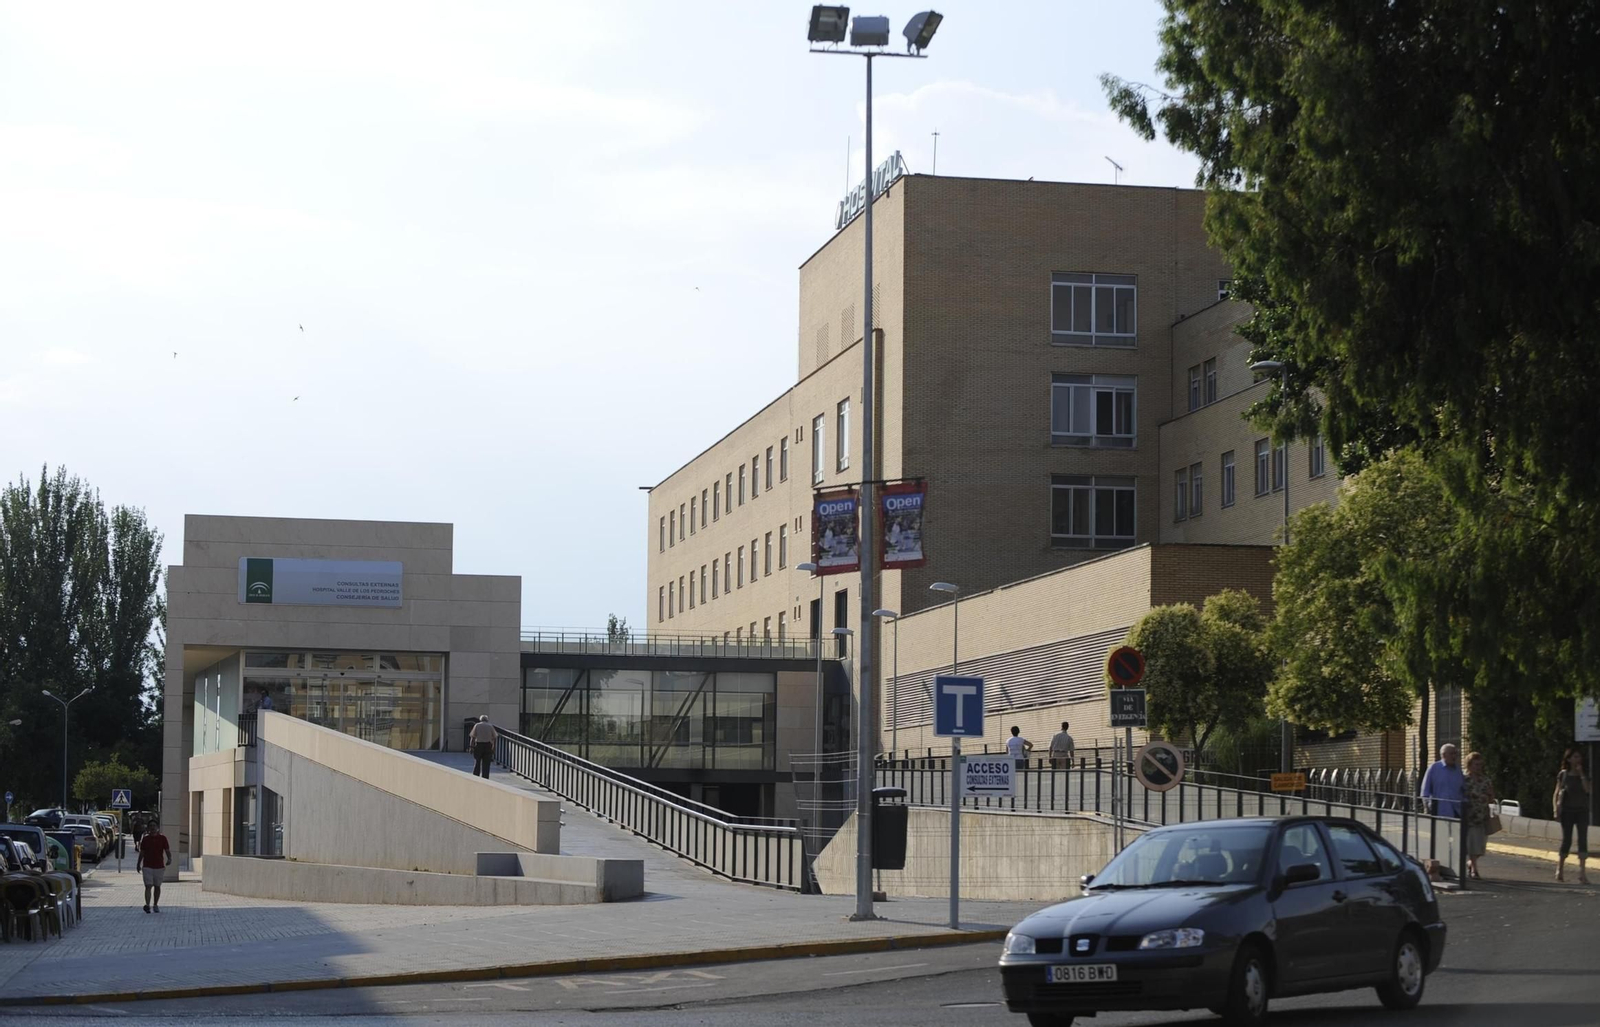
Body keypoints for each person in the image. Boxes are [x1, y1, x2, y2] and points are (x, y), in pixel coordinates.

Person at [1553, 747, 1590, 884]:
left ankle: (1582, 873)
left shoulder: (1584, 774)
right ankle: (1560, 869)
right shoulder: (1564, 774)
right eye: (1574, 757)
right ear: (1568, 759)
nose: (1577, 760)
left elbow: (1587, 790)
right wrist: (1556, 810)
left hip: (1582, 811)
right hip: (1568, 811)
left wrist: (1581, 774)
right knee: (1567, 839)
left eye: (1578, 757)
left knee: (1582, 840)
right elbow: (1557, 793)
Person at [1461, 751, 1498, 880]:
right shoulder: (1464, 780)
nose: (1478, 767)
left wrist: (1489, 795)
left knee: (1480, 846)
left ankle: (1471, 863)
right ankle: (1474, 870)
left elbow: (1492, 797)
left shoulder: (1485, 780)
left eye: (1480, 765)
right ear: (1469, 765)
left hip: (1482, 816)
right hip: (1469, 816)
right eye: (1476, 765)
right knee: (1472, 845)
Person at [1420, 743, 1464, 819]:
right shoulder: (1434, 768)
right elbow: (1425, 790)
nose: (1454, 756)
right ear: (1443, 755)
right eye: (1451, 754)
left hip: (1456, 811)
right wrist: (1427, 806)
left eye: (1455, 753)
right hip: (1439, 811)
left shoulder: (1458, 770)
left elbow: (1463, 789)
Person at [135, 820, 171, 913]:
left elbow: (167, 850)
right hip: (147, 866)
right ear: (148, 828)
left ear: (157, 827)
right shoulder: (145, 839)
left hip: (159, 866)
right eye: (150, 826)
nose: (152, 827)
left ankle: (155, 904)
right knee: (148, 886)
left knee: (157, 886)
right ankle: (147, 905)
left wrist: (169, 859)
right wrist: (138, 864)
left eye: (154, 826)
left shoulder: (163, 838)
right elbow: (142, 852)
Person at [469, 715, 498, 779]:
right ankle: (485, 777)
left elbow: (473, 737)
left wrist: (471, 747)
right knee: (486, 764)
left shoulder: (477, 725)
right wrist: (494, 747)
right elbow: (495, 737)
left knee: (477, 762)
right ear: (487, 720)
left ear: (480, 720)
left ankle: (475, 776)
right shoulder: (490, 726)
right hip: (488, 746)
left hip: (479, 745)